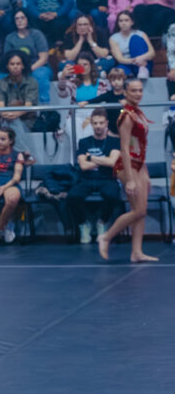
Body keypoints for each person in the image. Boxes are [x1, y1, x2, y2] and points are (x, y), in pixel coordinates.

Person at [98, 78, 158, 263]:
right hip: (127, 165)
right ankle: (106, 236)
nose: (138, 94)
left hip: (138, 164)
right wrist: (130, 179)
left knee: (141, 210)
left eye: (140, 90)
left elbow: (139, 145)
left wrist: (144, 171)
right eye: (133, 90)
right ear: (125, 92)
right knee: (138, 210)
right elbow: (124, 148)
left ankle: (137, 252)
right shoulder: (126, 116)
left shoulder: (136, 113)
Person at [67, 109, 121, 244]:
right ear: (91, 123)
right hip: (87, 179)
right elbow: (83, 166)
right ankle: (83, 224)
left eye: (101, 123)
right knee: (72, 196)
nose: (98, 126)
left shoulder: (114, 141)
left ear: (106, 123)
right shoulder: (84, 142)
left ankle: (102, 222)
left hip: (107, 179)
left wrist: (91, 157)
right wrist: (104, 160)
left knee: (113, 195)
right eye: (95, 123)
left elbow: (112, 163)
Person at [4, 10, 52, 103]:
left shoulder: (37, 34)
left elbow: (44, 58)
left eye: (22, 18)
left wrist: (28, 69)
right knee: (3, 76)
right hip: (16, 67)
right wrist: (17, 69)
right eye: (17, 19)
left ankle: (44, 107)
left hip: (38, 67)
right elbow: (7, 59)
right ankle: (8, 107)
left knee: (40, 75)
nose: (20, 20)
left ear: (27, 19)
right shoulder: (10, 38)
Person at [0, 51, 39, 147]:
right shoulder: (0, 83)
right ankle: (23, 152)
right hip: (5, 118)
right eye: (12, 64)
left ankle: (11, 153)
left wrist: (14, 115)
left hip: (27, 120)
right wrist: (8, 115)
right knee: (9, 122)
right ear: (7, 66)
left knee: (12, 123)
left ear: (23, 66)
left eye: (18, 64)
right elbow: (0, 107)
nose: (15, 67)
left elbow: (28, 107)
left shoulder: (32, 82)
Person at [109, 11, 155, 78]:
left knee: (135, 38)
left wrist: (141, 59)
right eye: (120, 21)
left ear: (132, 22)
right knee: (119, 72)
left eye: (126, 20)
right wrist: (135, 61)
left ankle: (142, 70)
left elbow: (152, 53)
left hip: (143, 63)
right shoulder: (113, 38)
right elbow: (119, 59)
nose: (123, 23)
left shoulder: (141, 34)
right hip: (126, 63)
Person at [86, 66, 127, 133]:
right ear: (110, 81)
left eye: (119, 79)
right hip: (111, 128)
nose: (116, 82)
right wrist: (86, 102)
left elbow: (134, 105)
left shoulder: (127, 95)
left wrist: (128, 102)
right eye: (113, 80)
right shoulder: (108, 94)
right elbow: (97, 99)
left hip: (125, 126)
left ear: (123, 80)